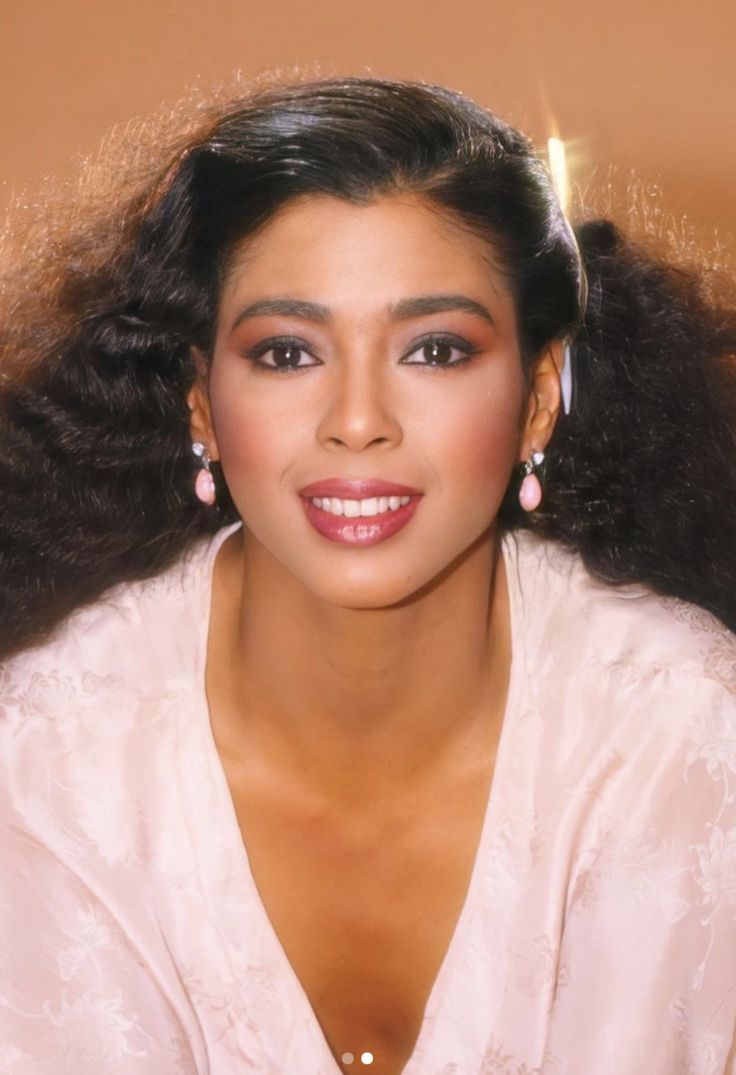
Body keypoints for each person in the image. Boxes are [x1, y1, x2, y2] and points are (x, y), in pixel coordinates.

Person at [1, 75, 735, 1075]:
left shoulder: (688, 731)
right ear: (200, 405)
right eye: (286, 351)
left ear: (537, 398)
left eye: (433, 349)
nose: (357, 419)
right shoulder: (46, 762)